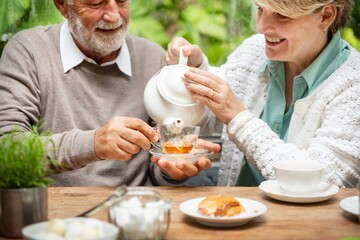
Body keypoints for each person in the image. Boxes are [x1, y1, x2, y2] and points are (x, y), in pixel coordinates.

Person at [0, 0, 220, 186]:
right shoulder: (29, 51)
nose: (114, 15)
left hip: (133, 212)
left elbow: (157, 167)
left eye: (122, 0)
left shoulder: (152, 56)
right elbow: (7, 151)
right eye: (96, 2)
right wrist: (93, 144)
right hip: (56, 215)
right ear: (62, 6)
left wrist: (171, 170)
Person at [165, 0, 360, 188]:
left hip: (303, 221)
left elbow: (322, 181)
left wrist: (239, 119)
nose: (262, 27)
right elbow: (212, 115)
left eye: (281, 15)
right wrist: (194, 70)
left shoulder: (353, 83)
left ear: (325, 16)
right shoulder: (255, 50)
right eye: (260, 10)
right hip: (235, 212)